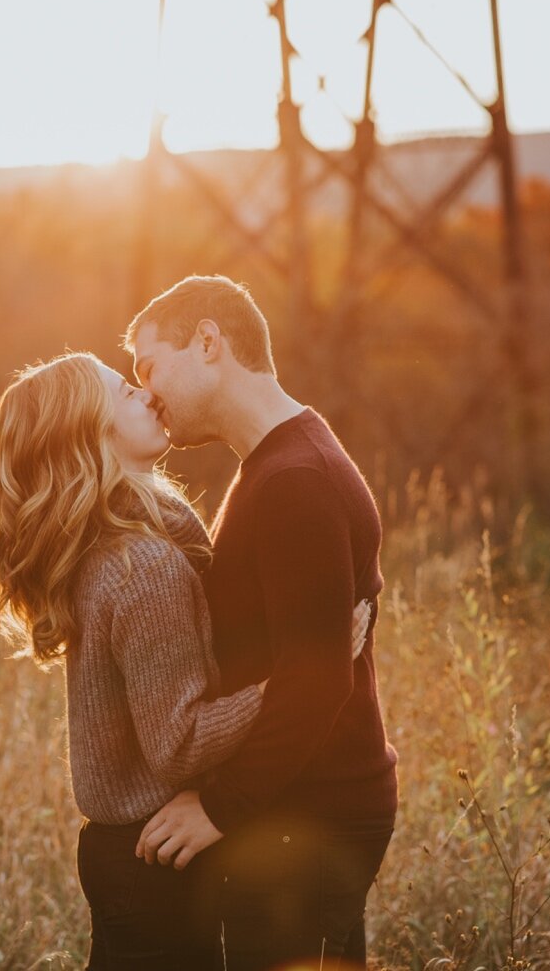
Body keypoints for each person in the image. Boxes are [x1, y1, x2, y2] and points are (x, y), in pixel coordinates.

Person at [0, 351, 370, 970]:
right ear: (90, 436)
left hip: (136, 852)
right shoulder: (143, 568)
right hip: (152, 857)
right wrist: (293, 679)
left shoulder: (138, 535)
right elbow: (177, 743)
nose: (147, 395)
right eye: (124, 392)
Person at [125, 275, 399, 971]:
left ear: (208, 342)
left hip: (311, 818)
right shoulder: (280, 461)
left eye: (148, 365)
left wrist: (218, 808)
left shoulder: (294, 481)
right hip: (304, 808)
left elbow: (314, 684)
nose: (146, 391)